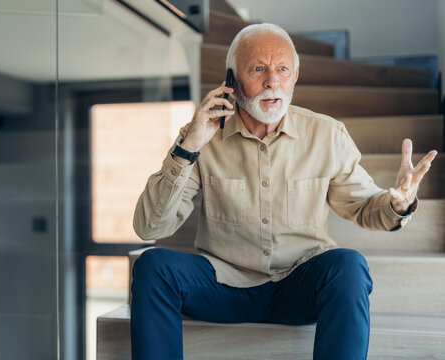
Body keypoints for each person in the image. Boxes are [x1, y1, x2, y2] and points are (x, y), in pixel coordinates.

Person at [130, 23, 437, 360]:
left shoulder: (327, 135)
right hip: (224, 285)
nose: (272, 81)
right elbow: (151, 228)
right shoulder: (202, 136)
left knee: (349, 266)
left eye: (282, 69)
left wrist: (399, 204)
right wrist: (189, 146)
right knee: (152, 265)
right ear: (231, 79)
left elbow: (364, 206)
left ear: (295, 76)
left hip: (298, 285)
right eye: (258, 68)